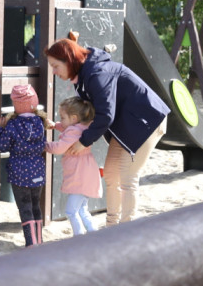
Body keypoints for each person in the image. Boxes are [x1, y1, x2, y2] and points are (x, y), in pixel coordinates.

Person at [44, 33, 170, 226]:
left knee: (128, 177)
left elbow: (105, 115)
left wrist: (83, 141)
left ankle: (126, 229)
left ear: (69, 61)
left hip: (147, 122)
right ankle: (112, 226)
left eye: (55, 66)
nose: (53, 71)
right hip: (126, 127)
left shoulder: (97, 74)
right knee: (111, 174)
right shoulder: (86, 75)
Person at [0, 84, 54, 246]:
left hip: (19, 173)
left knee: (25, 207)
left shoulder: (12, 125)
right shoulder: (40, 123)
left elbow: (2, 146)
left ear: (15, 105)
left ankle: (31, 243)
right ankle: (38, 241)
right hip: (38, 170)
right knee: (36, 206)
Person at [45, 97, 101, 237]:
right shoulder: (82, 126)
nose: (60, 120)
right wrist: (55, 125)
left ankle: (79, 238)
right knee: (82, 209)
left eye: (62, 117)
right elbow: (66, 126)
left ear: (74, 118)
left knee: (71, 211)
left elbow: (59, 148)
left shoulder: (73, 132)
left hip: (79, 175)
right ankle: (94, 235)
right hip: (87, 172)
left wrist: (44, 145)